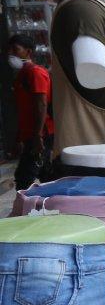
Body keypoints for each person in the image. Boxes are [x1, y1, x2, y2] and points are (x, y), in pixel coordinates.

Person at [8, 34, 54, 191]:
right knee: (47, 175)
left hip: (41, 135)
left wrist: (38, 135)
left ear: (28, 52)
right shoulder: (21, 75)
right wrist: (19, 138)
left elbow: (41, 103)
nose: (11, 53)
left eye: (16, 49)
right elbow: (24, 109)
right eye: (10, 50)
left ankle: (28, 212)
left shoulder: (35, 73)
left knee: (24, 179)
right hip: (31, 135)